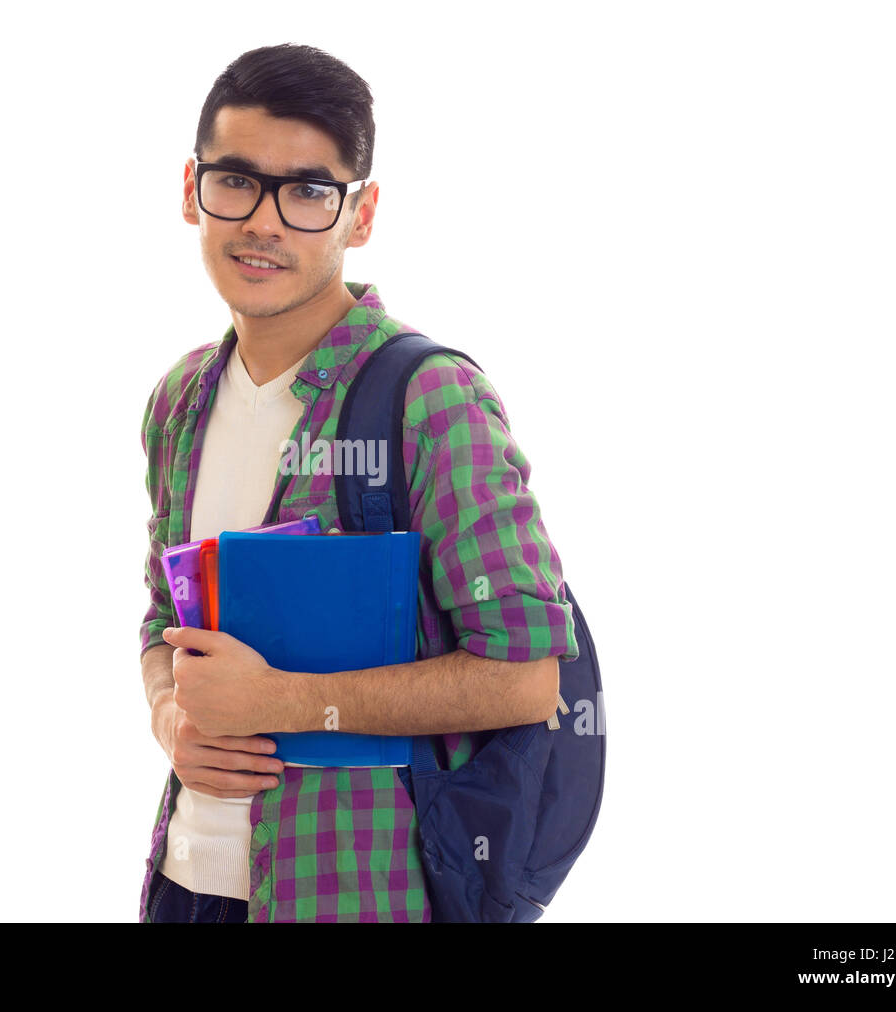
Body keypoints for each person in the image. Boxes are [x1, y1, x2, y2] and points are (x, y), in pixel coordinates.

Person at [138, 42, 578, 923]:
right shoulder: (180, 400)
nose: (265, 221)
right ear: (192, 189)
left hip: (349, 891)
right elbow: (163, 618)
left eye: (308, 192)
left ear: (360, 213)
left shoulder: (427, 395)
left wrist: (287, 703)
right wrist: (169, 717)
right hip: (190, 886)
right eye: (236, 181)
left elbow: (528, 675)